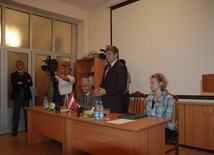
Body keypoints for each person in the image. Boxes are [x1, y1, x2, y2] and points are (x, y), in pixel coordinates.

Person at [94, 45, 128, 113]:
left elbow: (121, 87)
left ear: (116, 55)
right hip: (105, 102)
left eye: (109, 54)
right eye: (106, 54)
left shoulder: (121, 67)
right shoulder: (106, 67)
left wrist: (105, 91)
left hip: (116, 104)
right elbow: (104, 82)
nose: (107, 56)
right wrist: (98, 89)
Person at [145, 73, 176, 140]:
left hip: (166, 127)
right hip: (151, 126)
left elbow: (167, 118)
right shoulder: (149, 97)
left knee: (150, 134)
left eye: (153, 83)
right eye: (150, 83)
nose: (151, 85)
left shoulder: (168, 98)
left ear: (160, 83)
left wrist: (152, 124)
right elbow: (146, 114)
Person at [10, 60, 33, 136]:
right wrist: (25, 83)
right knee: (16, 113)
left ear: (23, 65)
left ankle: (27, 128)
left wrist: (22, 83)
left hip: (26, 96)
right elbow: (15, 85)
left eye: (20, 65)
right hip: (17, 96)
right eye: (17, 65)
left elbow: (30, 83)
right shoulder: (13, 75)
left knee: (27, 113)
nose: (18, 66)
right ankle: (15, 130)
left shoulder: (27, 74)